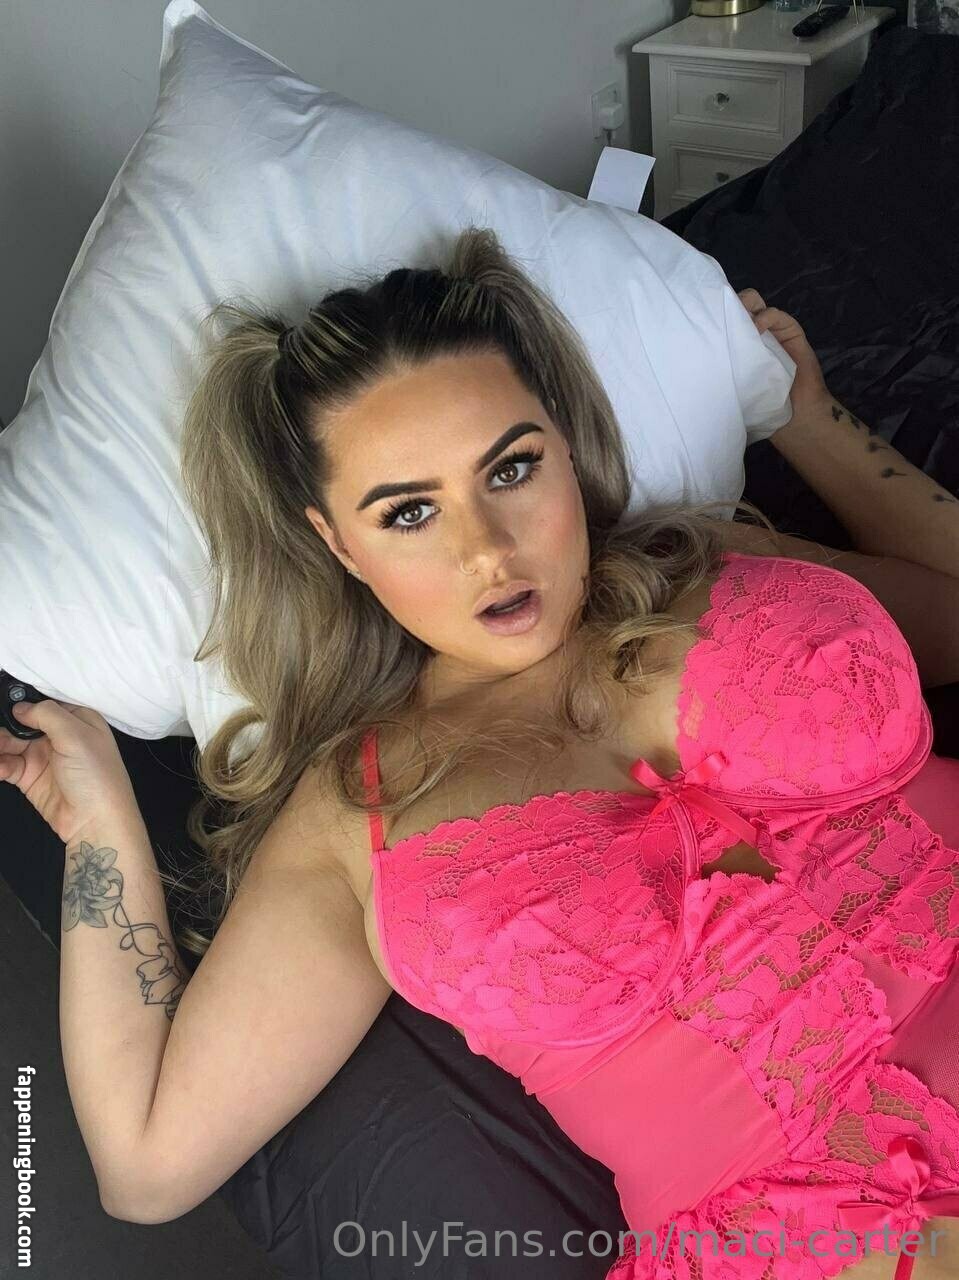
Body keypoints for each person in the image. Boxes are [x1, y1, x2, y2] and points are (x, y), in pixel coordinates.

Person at [2, 225, 959, 1278]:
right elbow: (147, 1161)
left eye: (511, 467)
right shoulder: (353, 821)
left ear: (563, 447)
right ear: (337, 543)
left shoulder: (706, 559)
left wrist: (802, 416)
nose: (487, 549)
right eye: (409, 512)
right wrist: (95, 821)